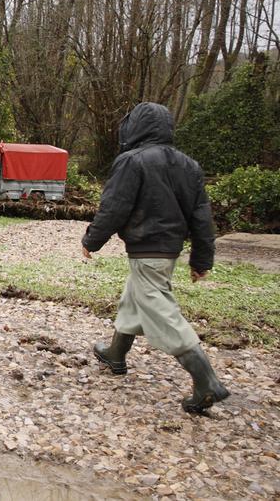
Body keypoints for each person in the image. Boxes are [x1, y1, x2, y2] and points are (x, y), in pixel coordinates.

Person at [81, 102, 229, 414]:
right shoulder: (189, 166)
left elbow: (114, 207)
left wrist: (91, 240)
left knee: (162, 313)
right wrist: (201, 260)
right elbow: (202, 218)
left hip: (147, 250)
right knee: (133, 297)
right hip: (168, 252)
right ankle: (115, 353)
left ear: (134, 128)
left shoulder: (131, 161)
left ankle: (206, 381)